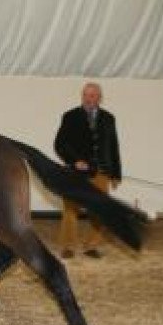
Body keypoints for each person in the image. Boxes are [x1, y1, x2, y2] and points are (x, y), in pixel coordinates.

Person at [54, 82, 121, 259]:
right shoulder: (70, 116)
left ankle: (91, 246)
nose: (88, 98)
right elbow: (60, 144)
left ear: (99, 98)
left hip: (101, 172)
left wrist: (115, 173)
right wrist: (74, 161)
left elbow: (113, 147)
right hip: (76, 172)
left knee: (100, 210)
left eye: (92, 95)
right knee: (70, 209)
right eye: (85, 95)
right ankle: (67, 246)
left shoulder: (109, 119)